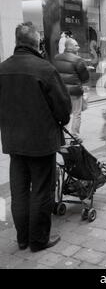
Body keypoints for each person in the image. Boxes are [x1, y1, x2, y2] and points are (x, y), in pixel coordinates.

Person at [0, 23, 71, 252]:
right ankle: (38, 240)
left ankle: (23, 239)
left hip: (14, 142)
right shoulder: (44, 69)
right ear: (34, 42)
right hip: (41, 142)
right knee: (41, 190)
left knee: (19, 191)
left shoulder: (2, 69)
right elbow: (63, 109)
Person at [54, 38, 90, 142]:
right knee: (76, 113)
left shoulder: (56, 58)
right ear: (70, 46)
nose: (78, 47)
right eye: (76, 45)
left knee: (64, 112)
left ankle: (62, 135)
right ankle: (75, 136)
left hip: (61, 92)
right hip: (74, 92)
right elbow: (85, 78)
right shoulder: (78, 60)